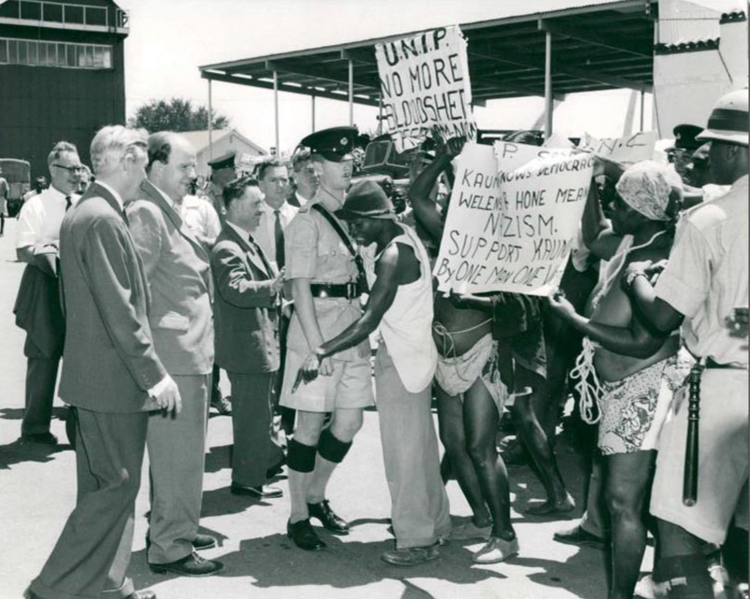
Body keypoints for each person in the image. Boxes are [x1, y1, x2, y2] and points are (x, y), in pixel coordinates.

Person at [27, 125, 181, 599]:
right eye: (140, 162)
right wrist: (154, 374)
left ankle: (105, 586)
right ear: (125, 162)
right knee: (115, 489)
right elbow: (121, 311)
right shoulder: (103, 218)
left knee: (103, 489)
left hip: (94, 379)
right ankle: (50, 588)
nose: (143, 172)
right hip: (111, 381)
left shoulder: (87, 211)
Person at [624, 89, 748, 599]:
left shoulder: (711, 220)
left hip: (723, 390)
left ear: (739, 151)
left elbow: (661, 317)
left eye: (717, 145)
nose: (707, 154)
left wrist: (635, 276)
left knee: (679, 537)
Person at [548, 159, 692, 599]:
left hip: (641, 388)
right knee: (635, 501)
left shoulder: (656, 259)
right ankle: (657, 583)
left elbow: (643, 342)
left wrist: (576, 320)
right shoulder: (637, 243)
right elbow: (594, 235)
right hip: (626, 390)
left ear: (639, 209)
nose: (613, 208)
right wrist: (587, 180)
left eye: (619, 202)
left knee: (623, 502)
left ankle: (622, 596)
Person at [296, 179, 451, 565]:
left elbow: (368, 321)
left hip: (401, 361)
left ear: (377, 218)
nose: (353, 230)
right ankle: (435, 523)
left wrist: (321, 349)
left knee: (404, 457)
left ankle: (416, 539)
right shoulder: (401, 236)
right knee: (420, 449)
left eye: (358, 224)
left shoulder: (392, 256)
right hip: (411, 355)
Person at [408, 133, 519, 564]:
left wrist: (471, 299)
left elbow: (519, 303)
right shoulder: (448, 238)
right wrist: (442, 158)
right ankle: (481, 519)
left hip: (482, 358)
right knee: (452, 442)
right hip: (444, 358)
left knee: (480, 448)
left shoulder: (505, 243)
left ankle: (506, 534)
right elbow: (418, 194)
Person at [126, 132, 224, 578]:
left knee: (178, 457)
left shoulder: (166, 209)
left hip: (188, 351)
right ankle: (170, 547)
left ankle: (174, 525)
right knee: (179, 458)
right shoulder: (147, 211)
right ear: (157, 167)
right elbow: (133, 290)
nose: (194, 175)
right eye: (185, 167)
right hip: (175, 356)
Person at [279, 126, 373, 551]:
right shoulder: (305, 222)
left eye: (350, 159)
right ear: (316, 168)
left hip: (350, 329)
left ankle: (316, 493)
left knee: (351, 420)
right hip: (315, 332)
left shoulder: (355, 217)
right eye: (339, 160)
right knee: (310, 426)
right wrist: (319, 348)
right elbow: (299, 289)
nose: (348, 165)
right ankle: (299, 512)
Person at [211, 176, 287, 499]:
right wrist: (272, 288)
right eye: (256, 203)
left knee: (261, 413)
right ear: (236, 206)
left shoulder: (244, 241)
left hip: (258, 343)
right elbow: (235, 289)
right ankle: (248, 480)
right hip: (248, 347)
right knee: (252, 418)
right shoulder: (228, 246)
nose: (261, 209)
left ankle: (263, 465)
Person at [13, 141, 82, 445]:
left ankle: (80, 426)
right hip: (45, 284)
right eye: (71, 168)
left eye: (79, 168)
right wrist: (52, 250)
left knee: (81, 355)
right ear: (54, 169)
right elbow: (24, 249)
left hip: (79, 286)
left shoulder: (82, 202)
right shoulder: (36, 205)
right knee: (43, 354)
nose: (76, 174)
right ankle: (35, 427)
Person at [205, 152, 237, 416]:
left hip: (231, 271)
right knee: (213, 335)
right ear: (218, 173)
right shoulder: (206, 200)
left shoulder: (232, 194)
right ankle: (213, 392)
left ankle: (229, 391)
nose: (234, 174)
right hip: (213, 274)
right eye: (230, 170)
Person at [0, 165, 8, 236]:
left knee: (2, 215)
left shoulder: (3, 180)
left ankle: (1, 231)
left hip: (1, 197)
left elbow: (6, 190)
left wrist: (5, 198)